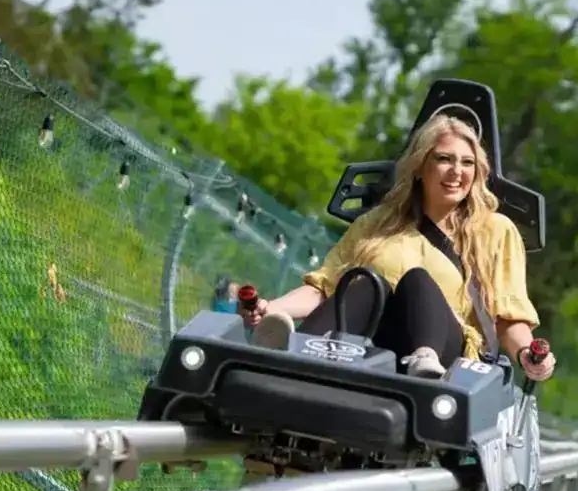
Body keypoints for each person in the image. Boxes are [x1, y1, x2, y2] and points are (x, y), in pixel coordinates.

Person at [238, 108, 556, 382]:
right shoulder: (376, 224)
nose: (457, 172)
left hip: (446, 351)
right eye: (444, 159)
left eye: (467, 163)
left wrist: (526, 353)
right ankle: (296, 355)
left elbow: (509, 318)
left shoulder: (495, 230)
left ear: (477, 172)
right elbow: (325, 287)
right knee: (362, 283)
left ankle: (424, 364)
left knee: (417, 280)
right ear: (420, 167)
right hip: (369, 338)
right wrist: (273, 308)